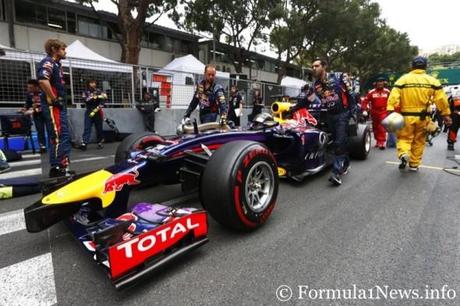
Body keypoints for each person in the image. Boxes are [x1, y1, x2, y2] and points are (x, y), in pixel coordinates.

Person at [387, 56, 452, 171]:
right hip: (423, 118)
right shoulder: (432, 81)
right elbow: (441, 100)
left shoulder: (403, 79)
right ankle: (414, 165)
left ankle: (403, 153)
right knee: (419, 141)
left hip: (406, 116)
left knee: (404, 138)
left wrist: (390, 109)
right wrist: (446, 115)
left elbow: (393, 95)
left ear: (412, 66)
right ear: (425, 66)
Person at [307, 58, 356, 186]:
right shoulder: (315, 84)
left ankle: (336, 173)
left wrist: (353, 112)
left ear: (324, 67)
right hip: (330, 116)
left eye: (316, 66)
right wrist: (294, 108)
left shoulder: (339, 76)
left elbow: (351, 93)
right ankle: (346, 164)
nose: (314, 68)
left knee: (339, 143)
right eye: (312, 66)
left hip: (342, 114)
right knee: (338, 143)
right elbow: (309, 98)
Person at [37, 39, 73, 178]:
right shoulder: (48, 62)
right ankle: (56, 168)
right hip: (53, 106)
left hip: (59, 106)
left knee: (64, 135)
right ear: (54, 49)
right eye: (63, 48)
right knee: (57, 136)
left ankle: (63, 166)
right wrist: (53, 98)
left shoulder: (57, 64)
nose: (65, 51)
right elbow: (42, 80)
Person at [361, 76, 391, 149]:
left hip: (384, 111)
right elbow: (365, 101)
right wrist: (364, 110)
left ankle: (381, 142)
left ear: (384, 83)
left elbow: (392, 101)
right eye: (379, 82)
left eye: (382, 82)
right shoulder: (371, 92)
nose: (380, 83)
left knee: (382, 126)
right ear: (376, 83)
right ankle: (378, 141)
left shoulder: (387, 92)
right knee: (375, 127)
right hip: (374, 112)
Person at [20, 79, 48, 153]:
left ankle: (54, 146)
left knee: (51, 130)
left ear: (37, 87)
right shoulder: (29, 94)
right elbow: (28, 103)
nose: (29, 89)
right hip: (37, 115)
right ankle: (42, 146)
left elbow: (47, 105)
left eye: (31, 88)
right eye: (28, 87)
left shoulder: (44, 92)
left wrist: (33, 110)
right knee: (40, 131)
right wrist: (24, 108)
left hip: (47, 114)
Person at [79, 79, 107, 150]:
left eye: (94, 83)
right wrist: (95, 97)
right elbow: (85, 100)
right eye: (91, 83)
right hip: (89, 111)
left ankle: (100, 142)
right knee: (87, 127)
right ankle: (84, 143)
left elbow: (104, 98)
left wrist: (98, 107)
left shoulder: (99, 91)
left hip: (97, 111)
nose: (93, 84)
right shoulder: (85, 92)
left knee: (99, 128)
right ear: (88, 83)